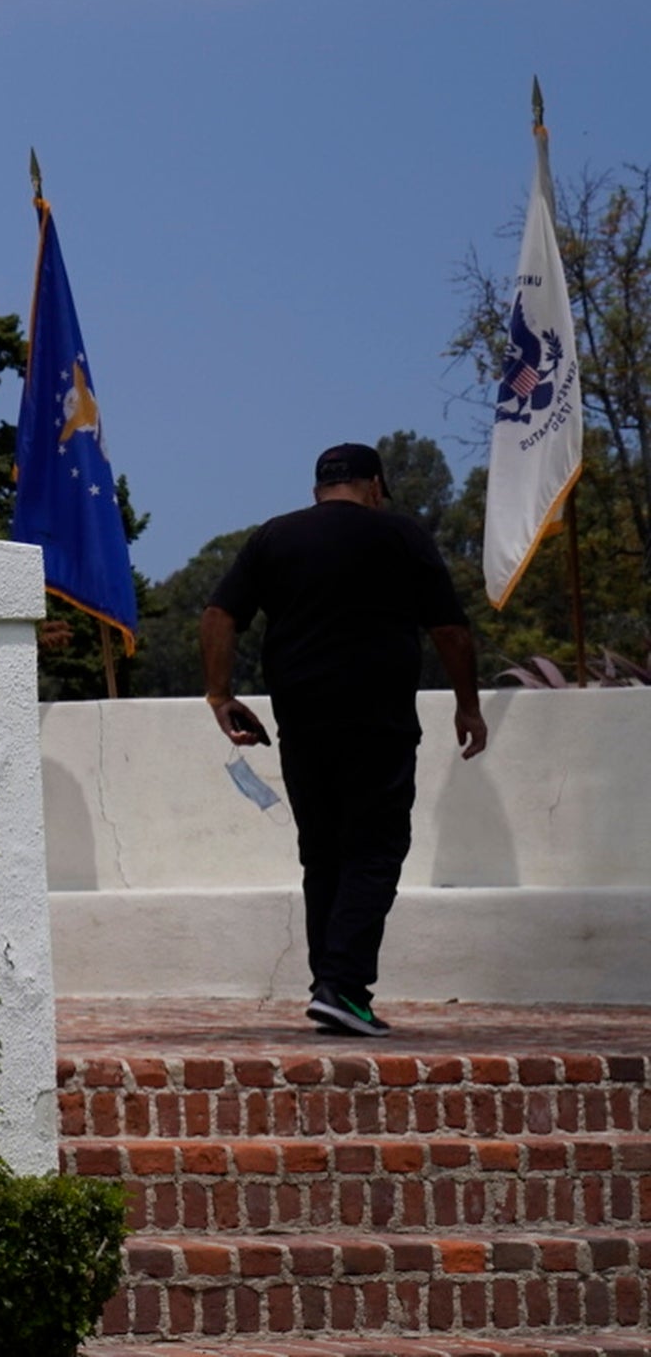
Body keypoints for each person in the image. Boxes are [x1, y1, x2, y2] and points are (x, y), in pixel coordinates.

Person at [202, 441, 487, 1038]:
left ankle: (330, 989)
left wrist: (220, 695)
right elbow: (450, 631)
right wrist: (468, 706)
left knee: (323, 853)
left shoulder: (273, 537)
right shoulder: (401, 537)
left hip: (303, 723)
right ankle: (343, 989)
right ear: (376, 487)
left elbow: (219, 614)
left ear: (317, 491)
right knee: (375, 851)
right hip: (376, 723)